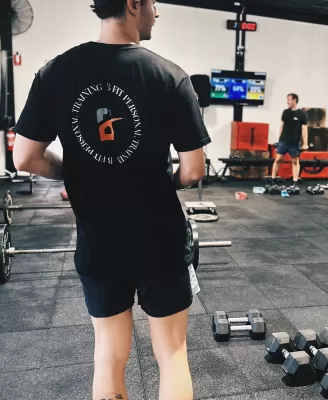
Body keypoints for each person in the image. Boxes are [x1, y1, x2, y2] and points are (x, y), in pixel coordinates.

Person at [12, 1, 210, 399]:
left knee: (107, 356)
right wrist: (166, 179)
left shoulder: (55, 73)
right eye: (154, 3)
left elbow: (25, 157)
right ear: (134, 3)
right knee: (172, 354)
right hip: (160, 239)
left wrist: (79, 172)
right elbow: (193, 171)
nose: (158, 12)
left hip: (99, 241)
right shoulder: (169, 76)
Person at [270, 93, 308, 186]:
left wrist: (305, 143)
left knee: (295, 161)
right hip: (283, 141)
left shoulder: (301, 114)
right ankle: (273, 178)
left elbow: (304, 129)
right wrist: (279, 139)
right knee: (278, 159)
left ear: (294, 100)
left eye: (289, 100)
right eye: (287, 100)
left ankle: (295, 180)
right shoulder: (285, 112)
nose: (287, 102)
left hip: (294, 142)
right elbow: (282, 126)